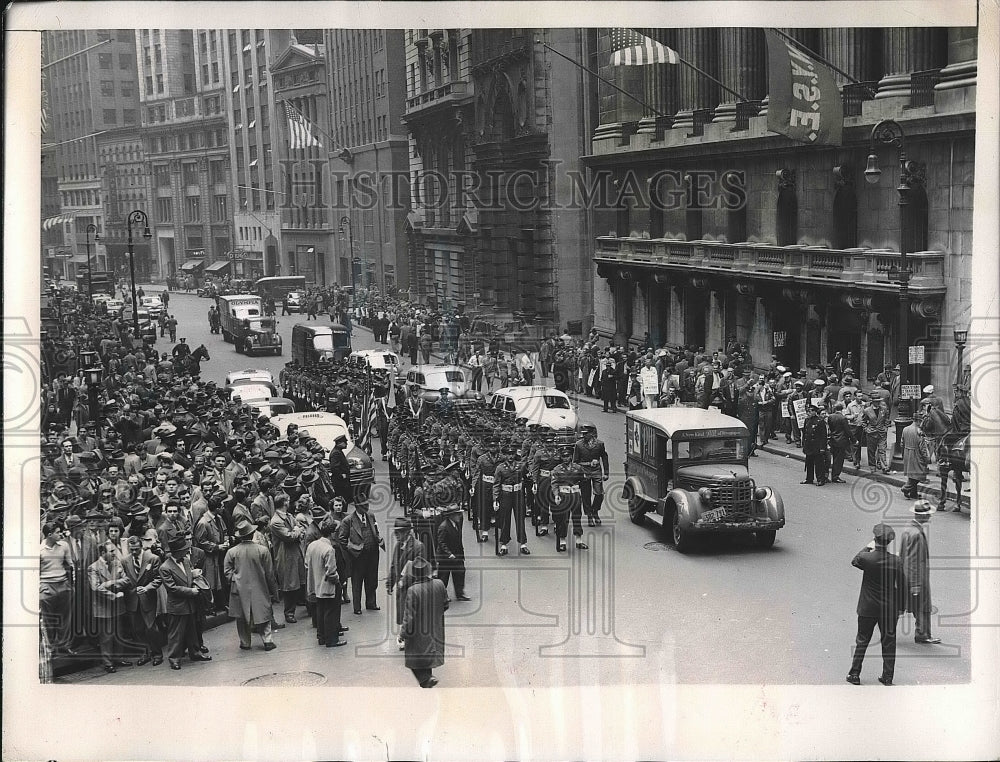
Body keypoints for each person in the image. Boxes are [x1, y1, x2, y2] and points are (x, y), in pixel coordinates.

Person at [846, 523, 907, 686]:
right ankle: (887, 676)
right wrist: (901, 607)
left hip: (867, 607)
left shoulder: (867, 558)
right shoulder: (896, 561)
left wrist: (868, 547)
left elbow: (854, 561)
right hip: (889, 608)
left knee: (862, 640)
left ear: (875, 539)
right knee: (889, 641)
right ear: (889, 542)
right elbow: (902, 586)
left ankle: (855, 673)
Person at [225, 519, 281, 651]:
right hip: (260, 586)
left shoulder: (231, 552)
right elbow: (270, 573)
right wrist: (274, 591)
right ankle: (267, 640)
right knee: (263, 613)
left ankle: (245, 642)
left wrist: (236, 579)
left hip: (239, 588)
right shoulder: (262, 550)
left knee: (241, 616)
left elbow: (227, 572)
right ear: (252, 534)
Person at [159, 534, 213, 670]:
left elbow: (188, 577)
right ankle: (174, 658)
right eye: (184, 549)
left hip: (190, 603)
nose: (187, 551)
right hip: (177, 606)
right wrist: (191, 591)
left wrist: (195, 584)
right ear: (177, 551)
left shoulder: (186, 561)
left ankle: (195, 652)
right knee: (176, 633)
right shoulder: (165, 568)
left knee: (192, 630)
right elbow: (171, 588)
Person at [400, 557, 449, 688]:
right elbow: (446, 604)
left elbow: (409, 617)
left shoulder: (413, 591)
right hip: (435, 627)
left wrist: (402, 634)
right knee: (428, 654)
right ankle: (428, 678)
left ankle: (426, 679)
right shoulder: (439, 584)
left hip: (419, 631)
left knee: (415, 658)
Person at [898, 500, 941, 644]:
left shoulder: (909, 528)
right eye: (928, 514)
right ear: (922, 516)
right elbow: (913, 561)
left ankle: (887, 630)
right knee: (923, 606)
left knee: (904, 606)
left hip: (906, 574)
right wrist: (916, 583)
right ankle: (923, 634)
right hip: (917, 577)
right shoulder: (916, 534)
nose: (930, 517)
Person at [88, 540, 133, 674]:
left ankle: (119, 658)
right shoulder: (93, 568)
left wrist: (110, 583)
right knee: (106, 636)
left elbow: (126, 580)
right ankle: (108, 663)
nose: (114, 553)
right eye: (111, 551)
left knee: (119, 633)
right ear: (102, 553)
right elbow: (95, 588)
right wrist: (114, 595)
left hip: (117, 606)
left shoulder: (117, 563)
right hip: (104, 607)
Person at [304, 516, 347, 648]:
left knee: (321, 610)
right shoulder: (329, 549)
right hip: (328, 585)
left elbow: (306, 564)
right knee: (331, 612)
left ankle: (321, 636)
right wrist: (339, 582)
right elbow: (331, 572)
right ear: (332, 533)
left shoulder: (312, 545)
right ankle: (331, 639)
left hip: (315, 584)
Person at [121, 535, 164, 667]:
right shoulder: (125, 561)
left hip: (148, 598)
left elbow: (158, 578)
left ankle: (157, 654)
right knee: (138, 629)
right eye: (131, 549)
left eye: (137, 549)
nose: (134, 552)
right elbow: (125, 578)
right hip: (132, 599)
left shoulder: (152, 558)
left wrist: (147, 588)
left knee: (151, 627)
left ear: (141, 547)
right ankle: (145, 654)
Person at [337, 498, 384, 615]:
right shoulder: (348, 520)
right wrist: (352, 549)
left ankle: (371, 603)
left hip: (372, 553)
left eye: (367, 504)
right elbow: (342, 539)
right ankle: (357, 607)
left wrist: (378, 539)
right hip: (358, 556)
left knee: (372, 579)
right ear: (357, 507)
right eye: (364, 505)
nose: (367, 507)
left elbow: (376, 530)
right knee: (357, 581)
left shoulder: (371, 516)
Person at [387, 517, 426, 649]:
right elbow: (394, 564)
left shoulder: (418, 546)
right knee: (404, 613)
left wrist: (404, 580)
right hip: (402, 588)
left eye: (399, 532)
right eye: (396, 532)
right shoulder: (399, 545)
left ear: (407, 532)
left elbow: (418, 567)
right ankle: (405, 637)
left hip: (413, 588)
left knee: (412, 614)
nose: (396, 535)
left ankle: (409, 638)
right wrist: (390, 581)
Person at [269, 492, 306, 624]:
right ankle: (289, 612)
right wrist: (297, 531)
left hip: (295, 553)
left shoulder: (289, 516)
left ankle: (305, 605)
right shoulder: (276, 521)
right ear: (285, 503)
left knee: (301, 580)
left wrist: (297, 530)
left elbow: (300, 528)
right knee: (289, 585)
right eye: (288, 500)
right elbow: (288, 537)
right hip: (285, 556)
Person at [574, 424, 609, 526]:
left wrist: (606, 473)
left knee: (599, 493)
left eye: (586, 434)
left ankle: (595, 510)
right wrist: (577, 475)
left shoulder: (600, 444)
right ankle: (589, 515)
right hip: (584, 471)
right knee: (586, 495)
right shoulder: (579, 445)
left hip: (596, 470)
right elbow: (575, 461)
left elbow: (604, 457)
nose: (584, 436)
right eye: (583, 434)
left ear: (592, 434)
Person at [436, 505, 470, 601]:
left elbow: (459, 540)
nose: (459, 516)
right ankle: (442, 595)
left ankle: (460, 593)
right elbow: (441, 542)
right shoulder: (443, 527)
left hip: (457, 554)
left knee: (460, 573)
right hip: (445, 557)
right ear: (451, 516)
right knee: (443, 577)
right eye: (457, 514)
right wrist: (449, 554)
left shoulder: (457, 524)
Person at [800, 405, 829, 486]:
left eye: (810, 411)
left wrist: (822, 448)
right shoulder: (807, 420)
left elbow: (824, 436)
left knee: (819, 464)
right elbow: (805, 434)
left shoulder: (820, 421)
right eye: (807, 411)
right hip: (809, 445)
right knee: (809, 463)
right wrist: (804, 445)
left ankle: (820, 479)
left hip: (817, 446)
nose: (808, 413)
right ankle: (809, 479)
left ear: (814, 412)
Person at [900, 417, 929, 499]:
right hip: (916, 455)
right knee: (919, 474)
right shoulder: (919, 432)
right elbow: (922, 448)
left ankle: (913, 493)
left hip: (907, 453)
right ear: (919, 421)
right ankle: (906, 488)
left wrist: (903, 454)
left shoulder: (905, 429)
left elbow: (902, 443)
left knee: (912, 474)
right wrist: (926, 458)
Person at [826, 402, 852, 483]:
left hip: (833, 440)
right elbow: (847, 430)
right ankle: (835, 476)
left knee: (834, 458)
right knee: (839, 460)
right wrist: (854, 440)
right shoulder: (843, 418)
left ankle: (832, 475)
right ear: (842, 409)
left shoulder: (830, 417)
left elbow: (830, 428)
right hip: (841, 440)